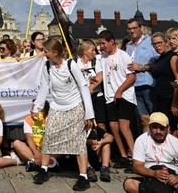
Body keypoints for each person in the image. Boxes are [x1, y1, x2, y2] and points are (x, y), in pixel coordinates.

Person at [31, 38, 95, 191]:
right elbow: (44, 87)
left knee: (78, 142)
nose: (44, 54)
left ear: (55, 52)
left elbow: (84, 88)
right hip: (56, 107)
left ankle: (83, 176)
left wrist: (89, 114)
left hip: (75, 107)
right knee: (49, 137)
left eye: (46, 51)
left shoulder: (70, 65)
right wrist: (36, 107)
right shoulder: (47, 66)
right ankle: (44, 170)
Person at [123, 112, 178, 193]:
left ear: (168, 128)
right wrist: (154, 173)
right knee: (129, 183)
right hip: (150, 175)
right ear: (149, 127)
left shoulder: (177, 143)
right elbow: (136, 167)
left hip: (172, 178)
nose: (158, 131)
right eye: (154, 127)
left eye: (162, 128)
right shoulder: (141, 140)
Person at [96, 30, 136, 171]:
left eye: (103, 43)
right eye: (99, 43)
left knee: (124, 126)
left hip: (125, 95)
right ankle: (123, 156)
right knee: (113, 127)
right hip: (109, 97)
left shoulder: (123, 56)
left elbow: (132, 77)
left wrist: (120, 90)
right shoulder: (102, 58)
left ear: (112, 42)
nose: (101, 46)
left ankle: (135, 158)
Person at [141, 32, 178, 136]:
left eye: (160, 43)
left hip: (170, 99)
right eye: (154, 44)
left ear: (166, 42)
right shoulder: (160, 58)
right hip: (159, 100)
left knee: (172, 128)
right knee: (161, 128)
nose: (157, 46)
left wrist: (174, 102)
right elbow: (154, 68)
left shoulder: (173, 57)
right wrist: (142, 67)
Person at [126, 18, 158, 132]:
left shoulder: (150, 42)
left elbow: (159, 63)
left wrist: (142, 67)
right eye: (129, 29)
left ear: (141, 28)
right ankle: (147, 147)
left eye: (134, 28)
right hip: (134, 86)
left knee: (156, 118)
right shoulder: (129, 46)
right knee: (144, 119)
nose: (132, 31)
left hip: (148, 85)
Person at [77, 40, 106, 131]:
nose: (94, 52)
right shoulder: (76, 63)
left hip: (96, 96)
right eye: (92, 50)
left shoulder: (96, 61)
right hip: (82, 98)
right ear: (85, 51)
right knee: (86, 124)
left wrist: (91, 87)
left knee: (101, 124)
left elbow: (100, 76)